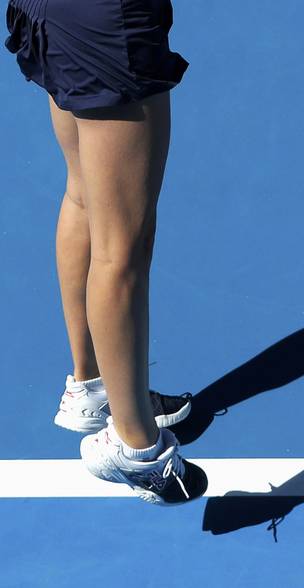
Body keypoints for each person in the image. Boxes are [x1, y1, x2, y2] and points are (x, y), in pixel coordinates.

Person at [5, 0, 206, 504]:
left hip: (54, 11)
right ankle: (136, 447)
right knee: (124, 251)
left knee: (84, 195)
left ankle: (92, 387)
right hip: (108, 25)